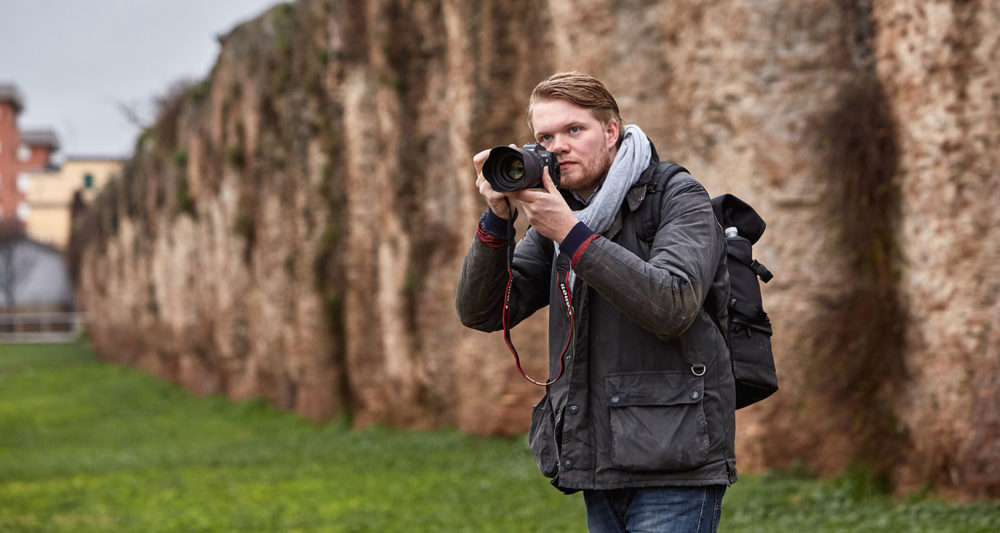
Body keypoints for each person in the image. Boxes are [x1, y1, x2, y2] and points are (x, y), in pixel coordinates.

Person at [455, 71, 737, 532]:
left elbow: (672, 305)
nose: (558, 146)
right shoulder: (562, 212)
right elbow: (485, 312)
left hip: (676, 463)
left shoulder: (678, 196)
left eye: (574, 130)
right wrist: (497, 219)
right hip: (600, 463)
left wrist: (570, 234)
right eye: (545, 136)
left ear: (611, 132)